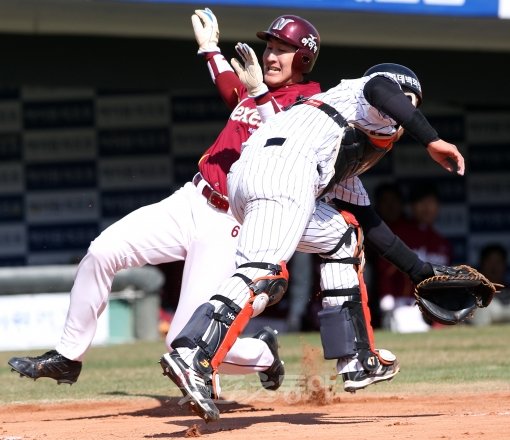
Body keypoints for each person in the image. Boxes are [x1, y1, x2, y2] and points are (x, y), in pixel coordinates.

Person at [7, 9, 322, 391]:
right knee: (103, 250)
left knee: (181, 342)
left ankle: (263, 354)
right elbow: (230, 88)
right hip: (191, 199)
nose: (270, 56)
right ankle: (68, 356)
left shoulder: (309, 99)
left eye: (283, 50)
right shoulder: (255, 91)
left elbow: (286, 138)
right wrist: (210, 50)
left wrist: (257, 93)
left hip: (230, 225)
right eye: (269, 47)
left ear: (303, 59)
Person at [158, 63, 465, 422]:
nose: (399, 114)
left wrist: (421, 273)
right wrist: (432, 139)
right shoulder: (369, 91)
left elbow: (372, 224)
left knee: (343, 236)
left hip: (261, 172)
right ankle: (193, 353)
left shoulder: (338, 139)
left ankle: (357, 358)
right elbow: (381, 87)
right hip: (284, 168)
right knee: (262, 273)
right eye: (405, 104)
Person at [469, 243, 510, 326]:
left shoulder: (508, 289)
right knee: (483, 309)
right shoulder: (472, 289)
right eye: (490, 261)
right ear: (482, 263)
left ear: (504, 265)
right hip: (480, 329)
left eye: (498, 262)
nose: (494, 266)